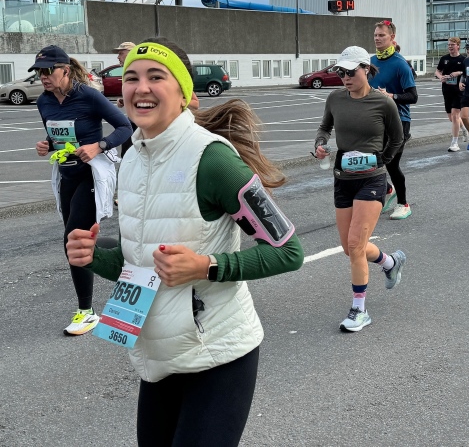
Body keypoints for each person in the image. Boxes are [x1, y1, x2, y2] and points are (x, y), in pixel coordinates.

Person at [66, 37, 304, 445]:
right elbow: (140, 265)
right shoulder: (132, 158)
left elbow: (289, 252)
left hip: (218, 354)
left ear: (183, 93)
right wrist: (92, 257)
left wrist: (207, 266)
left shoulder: (213, 159)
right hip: (160, 356)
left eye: (156, 77)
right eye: (131, 77)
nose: (141, 87)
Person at [32, 45, 132, 335]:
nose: (43, 77)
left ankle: (86, 312)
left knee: (73, 239)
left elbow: (124, 127)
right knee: (78, 241)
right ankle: (125, 254)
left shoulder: (88, 95)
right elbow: (56, 135)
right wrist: (46, 144)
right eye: (39, 72)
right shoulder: (44, 101)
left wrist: (99, 146)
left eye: (48, 70)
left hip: (92, 174)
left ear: (65, 70)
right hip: (67, 175)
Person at [315, 46, 407, 332]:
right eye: (340, 72)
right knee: (349, 248)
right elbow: (324, 128)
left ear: (366, 69)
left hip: (372, 180)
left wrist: (382, 161)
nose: (345, 77)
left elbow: (398, 138)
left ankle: (359, 310)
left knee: (355, 245)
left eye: (350, 72)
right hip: (343, 178)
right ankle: (390, 262)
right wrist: (319, 145)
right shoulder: (335, 98)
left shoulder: (383, 103)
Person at [370, 20, 418, 220]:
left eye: (381, 35)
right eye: (375, 35)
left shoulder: (400, 64)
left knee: (391, 164)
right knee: (371, 161)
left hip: (399, 121)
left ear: (392, 38)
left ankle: (403, 204)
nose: (377, 38)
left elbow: (413, 96)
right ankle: (388, 189)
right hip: (375, 120)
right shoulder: (371, 61)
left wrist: (391, 96)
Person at [436, 37, 466, 152]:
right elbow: (438, 71)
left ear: (458, 46)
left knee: (455, 115)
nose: (450, 47)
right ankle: (464, 129)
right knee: (452, 118)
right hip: (447, 90)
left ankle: (455, 143)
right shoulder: (444, 58)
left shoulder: (463, 59)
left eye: (452, 45)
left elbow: (467, 72)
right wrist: (440, 77)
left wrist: (458, 73)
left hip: (458, 91)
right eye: (449, 45)